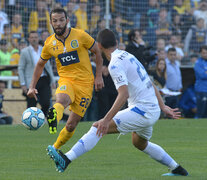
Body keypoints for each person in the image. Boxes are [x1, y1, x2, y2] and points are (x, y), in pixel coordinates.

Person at [46, 29, 188, 176]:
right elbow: (149, 82)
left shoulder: (114, 64)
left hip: (143, 110)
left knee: (98, 127)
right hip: (150, 109)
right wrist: (162, 106)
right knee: (139, 143)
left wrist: (106, 120)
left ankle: (66, 159)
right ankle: (177, 169)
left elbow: (123, 94)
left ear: (99, 46)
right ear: (117, 42)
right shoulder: (127, 55)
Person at [27, 8, 104, 151]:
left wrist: (98, 76)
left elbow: (97, 52)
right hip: (66, 80)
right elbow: (40, 65)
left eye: (61, 20)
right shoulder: (49, 44)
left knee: (71, 125)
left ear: (67, 21)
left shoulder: (80, 35)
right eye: (55, 21)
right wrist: (32, 86)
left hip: (85, 84)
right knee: (61, 100)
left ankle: (55, 148)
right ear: (50, 23)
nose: (58, 24)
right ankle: (54, 119)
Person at [18, 31, 55, 116]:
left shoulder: (43, 49)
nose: (34, 39)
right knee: (31, 104)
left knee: (46, 102)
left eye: (35, 37)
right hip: (31, 81)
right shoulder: (24, 52)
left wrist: (52, 80)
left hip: (43, 79)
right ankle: (30, 123)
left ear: (38, 38)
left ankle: (39, 117)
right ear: (29, 39)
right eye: (32, 37)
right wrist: (23, 84)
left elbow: (48, 66)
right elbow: (21, 68)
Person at [194, 45, 207, 118]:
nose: (205, 54)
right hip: (201, 90)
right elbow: (202, 75)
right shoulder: (198, 63)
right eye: (204, 53)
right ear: (200, 53)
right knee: (201, 111)